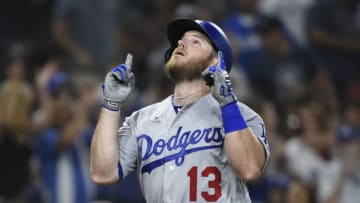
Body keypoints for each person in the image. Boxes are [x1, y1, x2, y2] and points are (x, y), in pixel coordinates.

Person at [90, 18, 270, 202]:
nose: (181, 43)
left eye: (195, 41)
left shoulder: (241, 115)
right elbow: (103, 173)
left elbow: (249, 169)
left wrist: (228, 103)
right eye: (181, 40)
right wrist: (111, 103)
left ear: (216, 62)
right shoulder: (141, 120)